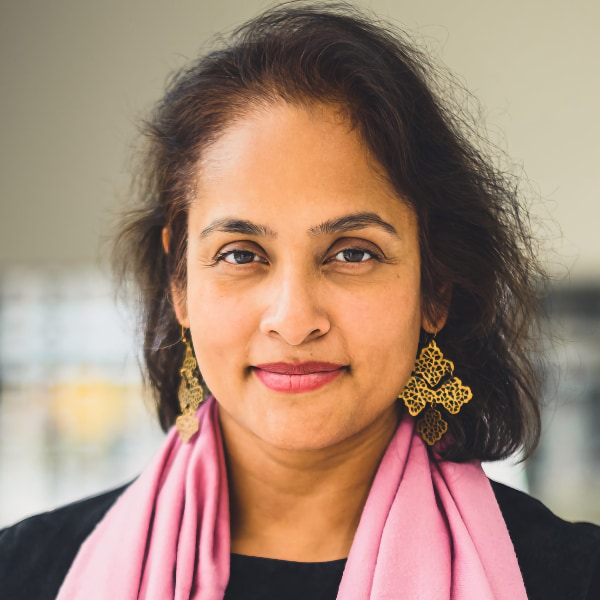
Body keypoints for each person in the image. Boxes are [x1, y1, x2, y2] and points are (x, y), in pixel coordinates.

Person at [1, 2, 599, 599]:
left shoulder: (572, 577)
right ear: (179, 281)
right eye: (240, 254)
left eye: (352, 253)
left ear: (435, 287)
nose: (293, 320)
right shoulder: (24, 573)